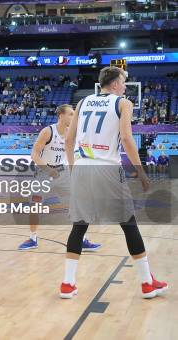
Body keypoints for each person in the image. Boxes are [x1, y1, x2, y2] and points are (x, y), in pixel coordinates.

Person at [61, 66, 167, 299]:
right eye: (124, 82)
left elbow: (68, 140)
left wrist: (73, 168)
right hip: (107, 168)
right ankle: (147, 283)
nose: (126, 86)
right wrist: (140, 171)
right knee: (129, 224)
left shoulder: (83, 102)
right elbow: (127, 138)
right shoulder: (123, 103)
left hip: (83, 166)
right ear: (116, 84)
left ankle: (67, 284)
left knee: (79, 226)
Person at [18, 104, 101, 251]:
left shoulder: (71, 133)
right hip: (43, 172)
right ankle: (32, 238)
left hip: (62, 173)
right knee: (35, 206)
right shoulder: (48, 131)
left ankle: (81, 239)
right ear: (61, 115)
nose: (73, 116)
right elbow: (34, 154)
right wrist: (48, 169)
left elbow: (70, 154)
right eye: (70, 114)